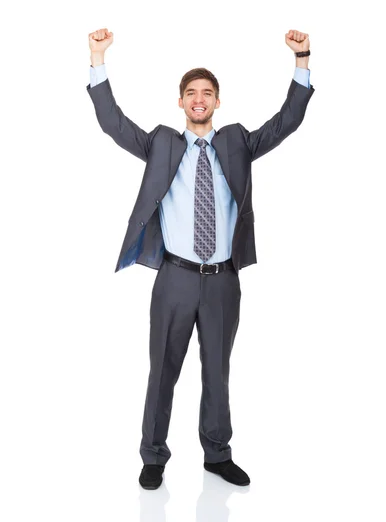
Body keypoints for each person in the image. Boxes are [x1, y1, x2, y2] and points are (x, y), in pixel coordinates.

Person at [86, 28, 315, 490]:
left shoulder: (237, 143)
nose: (198, 99)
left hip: (222, 281)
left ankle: (217, 454)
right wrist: (97, 59)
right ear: (180, 102)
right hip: (175, 277)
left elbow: (285, 122)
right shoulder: (162, 144)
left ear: (217, 102)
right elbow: (113, 123)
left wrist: (302, 61)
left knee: (218, 370)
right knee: (163, 371)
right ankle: (153, 456)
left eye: (206, 93)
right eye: (191, 93)